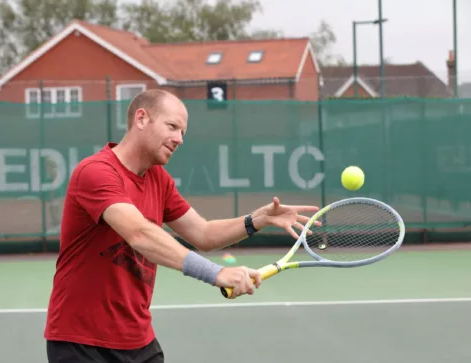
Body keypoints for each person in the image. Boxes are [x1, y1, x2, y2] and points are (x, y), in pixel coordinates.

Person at [44, 89, 319, 363]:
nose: (179, 139)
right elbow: (140, 234)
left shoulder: (158, 179)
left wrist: (257, 220)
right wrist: (217, 273)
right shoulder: (95, 172)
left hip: (139, 340)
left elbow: (203, 233)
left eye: (183, 132)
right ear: (141, 119)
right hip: (81, 343)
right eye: (172, 127)